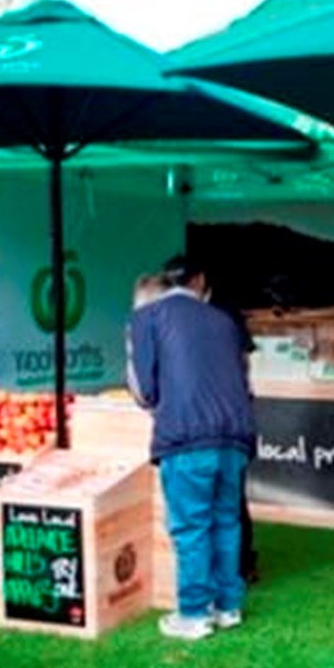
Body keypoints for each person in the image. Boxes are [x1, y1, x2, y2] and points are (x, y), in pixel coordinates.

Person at [128, 256, 255, 641]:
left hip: (186, 436)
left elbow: (142, 388)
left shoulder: (148, 317)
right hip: (235, 436)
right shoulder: (223, 319)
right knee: (225, 521)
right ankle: (228, 606)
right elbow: (244, 377)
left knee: (191, 526)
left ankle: (194, 613)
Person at [162, 254, 259, 582]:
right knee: (222, 512)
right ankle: (226, 589)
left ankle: (236, 571)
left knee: (210, 515)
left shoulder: (221, 311)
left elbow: (243, 363)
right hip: (226, 422)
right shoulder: (214, 317)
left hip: (206, 424)